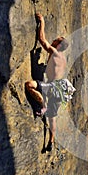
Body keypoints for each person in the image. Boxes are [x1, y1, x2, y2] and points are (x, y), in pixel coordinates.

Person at [25, 13, 75, 152]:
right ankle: (51, 141)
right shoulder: (63, 58)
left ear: (58, 46)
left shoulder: (54, 52)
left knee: (29, 85)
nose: (53, 41)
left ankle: (42, 105)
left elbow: (42, 39)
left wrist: (42, 21)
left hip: (54, 87)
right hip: (61, 90)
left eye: (56, 41)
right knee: (52, 117)